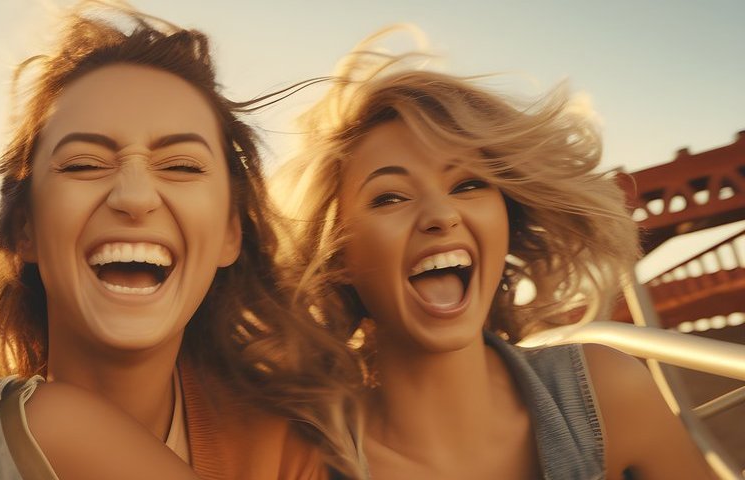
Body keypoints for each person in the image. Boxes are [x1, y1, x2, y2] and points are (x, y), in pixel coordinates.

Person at [273, 26, 714, 479]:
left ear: (507, 218)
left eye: (468, 184)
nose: (442, 215)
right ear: (338, 256)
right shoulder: (294, 461)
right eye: (390, 197)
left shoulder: (606, 395)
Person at [0, 3, 363, 478]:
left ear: (230, 234)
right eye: (84, 164)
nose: (135, 196)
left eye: (182, 166)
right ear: (26, 230)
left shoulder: (283, 453)